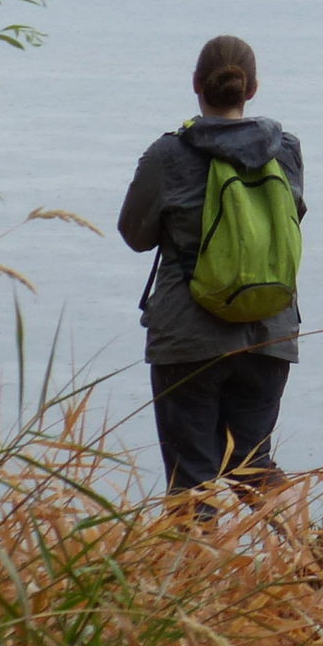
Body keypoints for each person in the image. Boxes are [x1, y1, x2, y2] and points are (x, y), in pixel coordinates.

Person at [117, 35, 304, 498]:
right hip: (270, 332)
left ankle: (193, 566)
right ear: (253, 89)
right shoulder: (287, 150)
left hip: (189, 335)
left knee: (191, 479)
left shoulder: (168, 154)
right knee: (252, 464)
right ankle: (314, 559)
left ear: (196, 84)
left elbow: (134, 235)